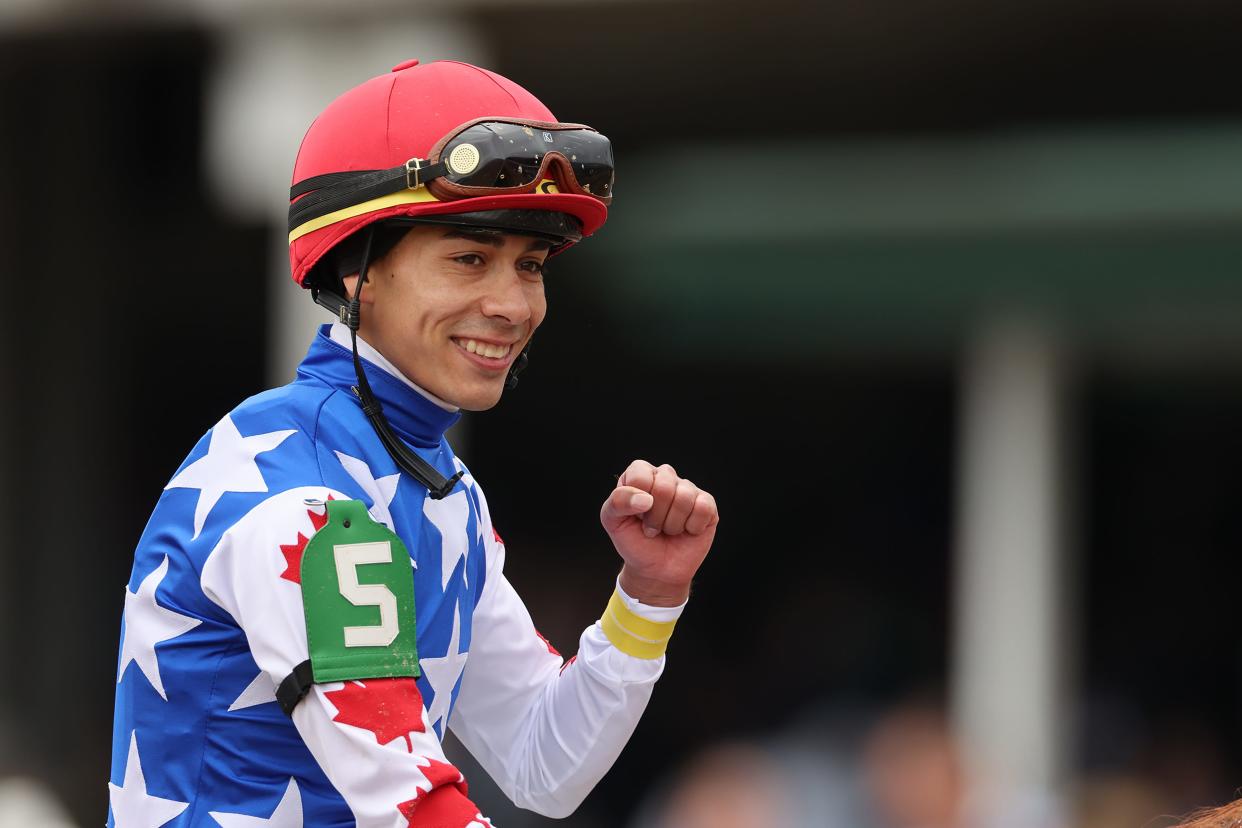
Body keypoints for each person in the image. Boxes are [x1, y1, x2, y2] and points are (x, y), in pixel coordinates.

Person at [108, 59, 718, 827]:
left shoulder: (440, 488)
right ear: (359, 271)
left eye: (528, 266)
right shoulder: (302, 499)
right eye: (469, 259)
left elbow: (544, 763)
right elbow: (412, 802)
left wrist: (647, 599)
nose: (510, 304)